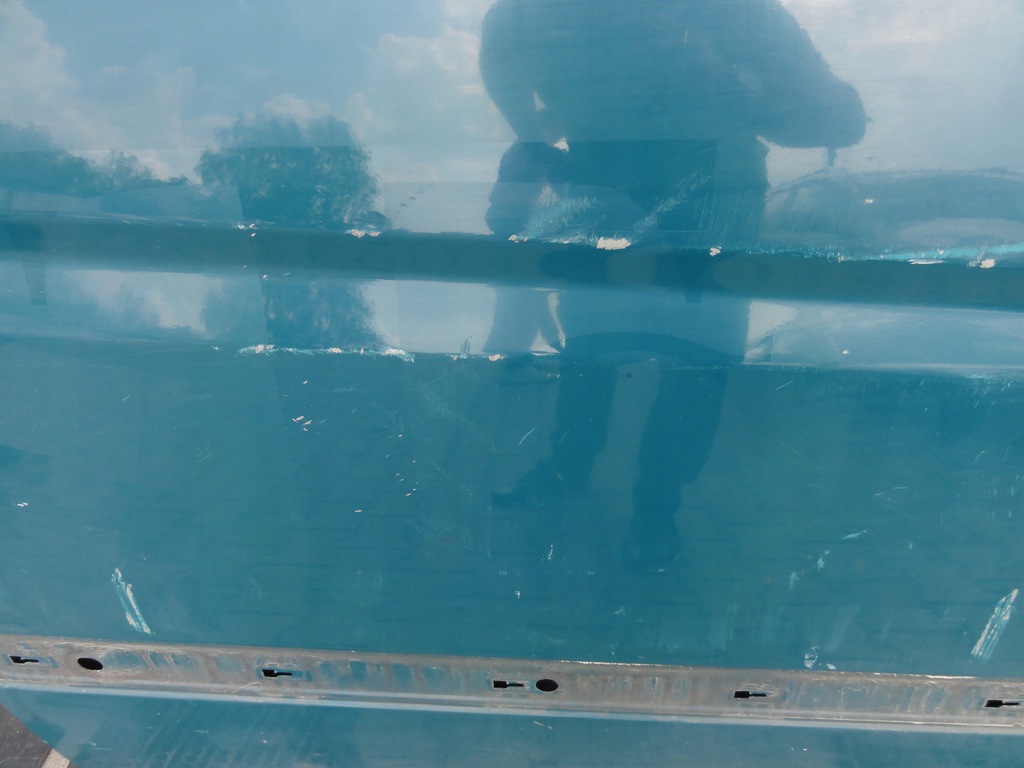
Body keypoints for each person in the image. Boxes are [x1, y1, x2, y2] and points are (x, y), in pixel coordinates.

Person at [481, 0, 867, 569]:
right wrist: (533, 137)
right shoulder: (543, 10)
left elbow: (840, 121)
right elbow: (501, 43)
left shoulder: (737, 13)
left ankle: (653, 506)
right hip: (633, 190)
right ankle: (584, 475)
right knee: (594, 345)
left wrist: (723, 79)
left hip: (709, 198)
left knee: (690, 358)